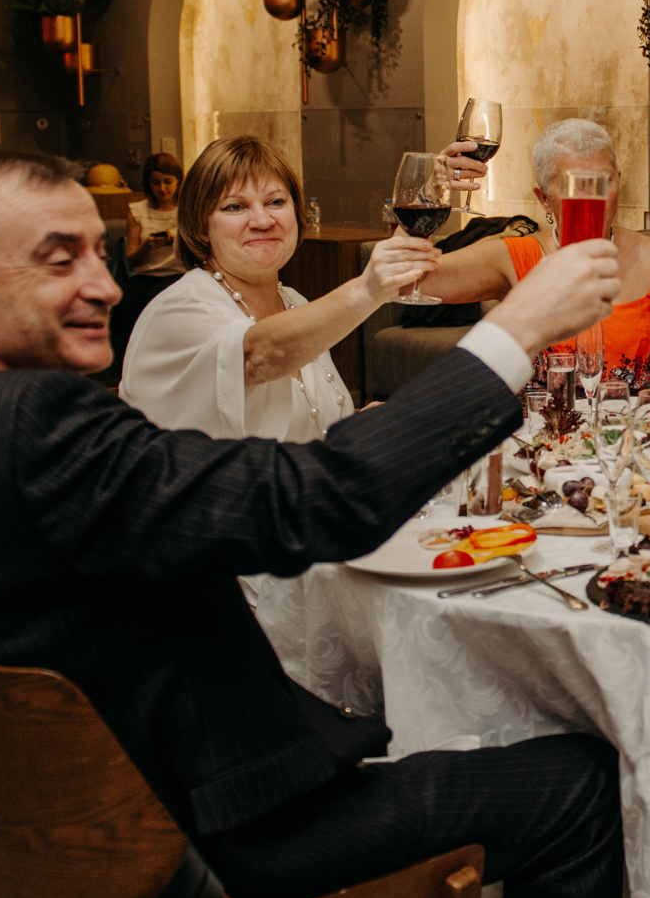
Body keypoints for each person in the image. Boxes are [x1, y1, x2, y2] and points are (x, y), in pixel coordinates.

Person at [0, 151, 628, 898]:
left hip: (25, 897)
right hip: (203, 871)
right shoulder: (36, 429)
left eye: (100, 253)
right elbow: (314, 502)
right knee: (581, 787)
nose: (105, 287)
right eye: (58, 260)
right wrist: (513, 332)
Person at [119, 135, 440, 738]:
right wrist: (371, 287)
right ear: (199, 226)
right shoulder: (180, 310)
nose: (263, 219)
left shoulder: (290, 300)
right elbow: (259, 358)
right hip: (231, 587)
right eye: (235, 207)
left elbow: (312, 429)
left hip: (313, 547)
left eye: (276, 201)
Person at [426, 118, 650, 399]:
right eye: (577, 185)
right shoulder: (514, 258)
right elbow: (420, 279)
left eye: (605, 182)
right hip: (539, 450)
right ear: (543, 198)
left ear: (618, 180)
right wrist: (431, 191)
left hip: (631, 445)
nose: (595, 198)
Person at [110, 150, 184, 356]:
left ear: (178, 181)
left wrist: (177, 242)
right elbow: (131, 260)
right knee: (123, 306)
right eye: (155, 182)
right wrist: (147, 246)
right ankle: (123, 363)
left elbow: (201, 251)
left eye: (168, 182)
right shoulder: (137, 210)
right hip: (145, 275)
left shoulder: (186, 209)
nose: (162, 188)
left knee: (157, 299)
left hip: (179, 274)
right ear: (148, 183)